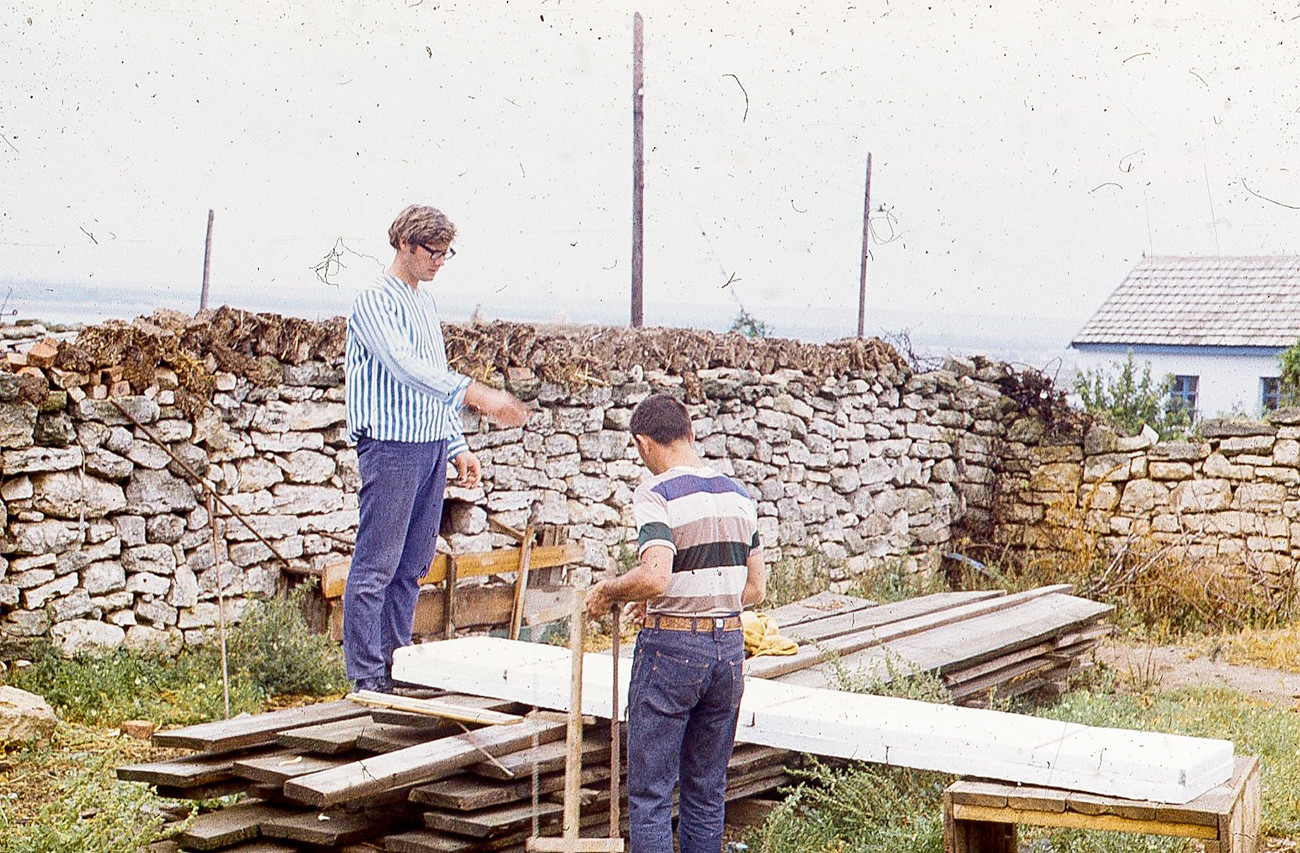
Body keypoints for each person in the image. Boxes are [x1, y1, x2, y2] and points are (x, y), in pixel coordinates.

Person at [343, 204, 530, 693]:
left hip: (427, 446)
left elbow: (432, 382)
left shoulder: (423, 304)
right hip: (390, 445)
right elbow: (405, 367)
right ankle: (366, 678)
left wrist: (457, 444)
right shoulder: (373, 301)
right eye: (433, 252)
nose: (439, 262)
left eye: (447, 254)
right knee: (375, 568)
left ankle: (396, 668)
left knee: (412, 568)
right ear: (405, 244)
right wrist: (477, 394)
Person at [586, 393, 767, 853]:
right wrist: (687, 598)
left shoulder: (657, 492)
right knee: (706, 794)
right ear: (691, 432)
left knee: (650, 796)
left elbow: (655, 573)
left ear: (644, 443)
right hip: (727, 651)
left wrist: (609, 590)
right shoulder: (738, 494)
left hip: (671, 651)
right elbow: (754, 590)